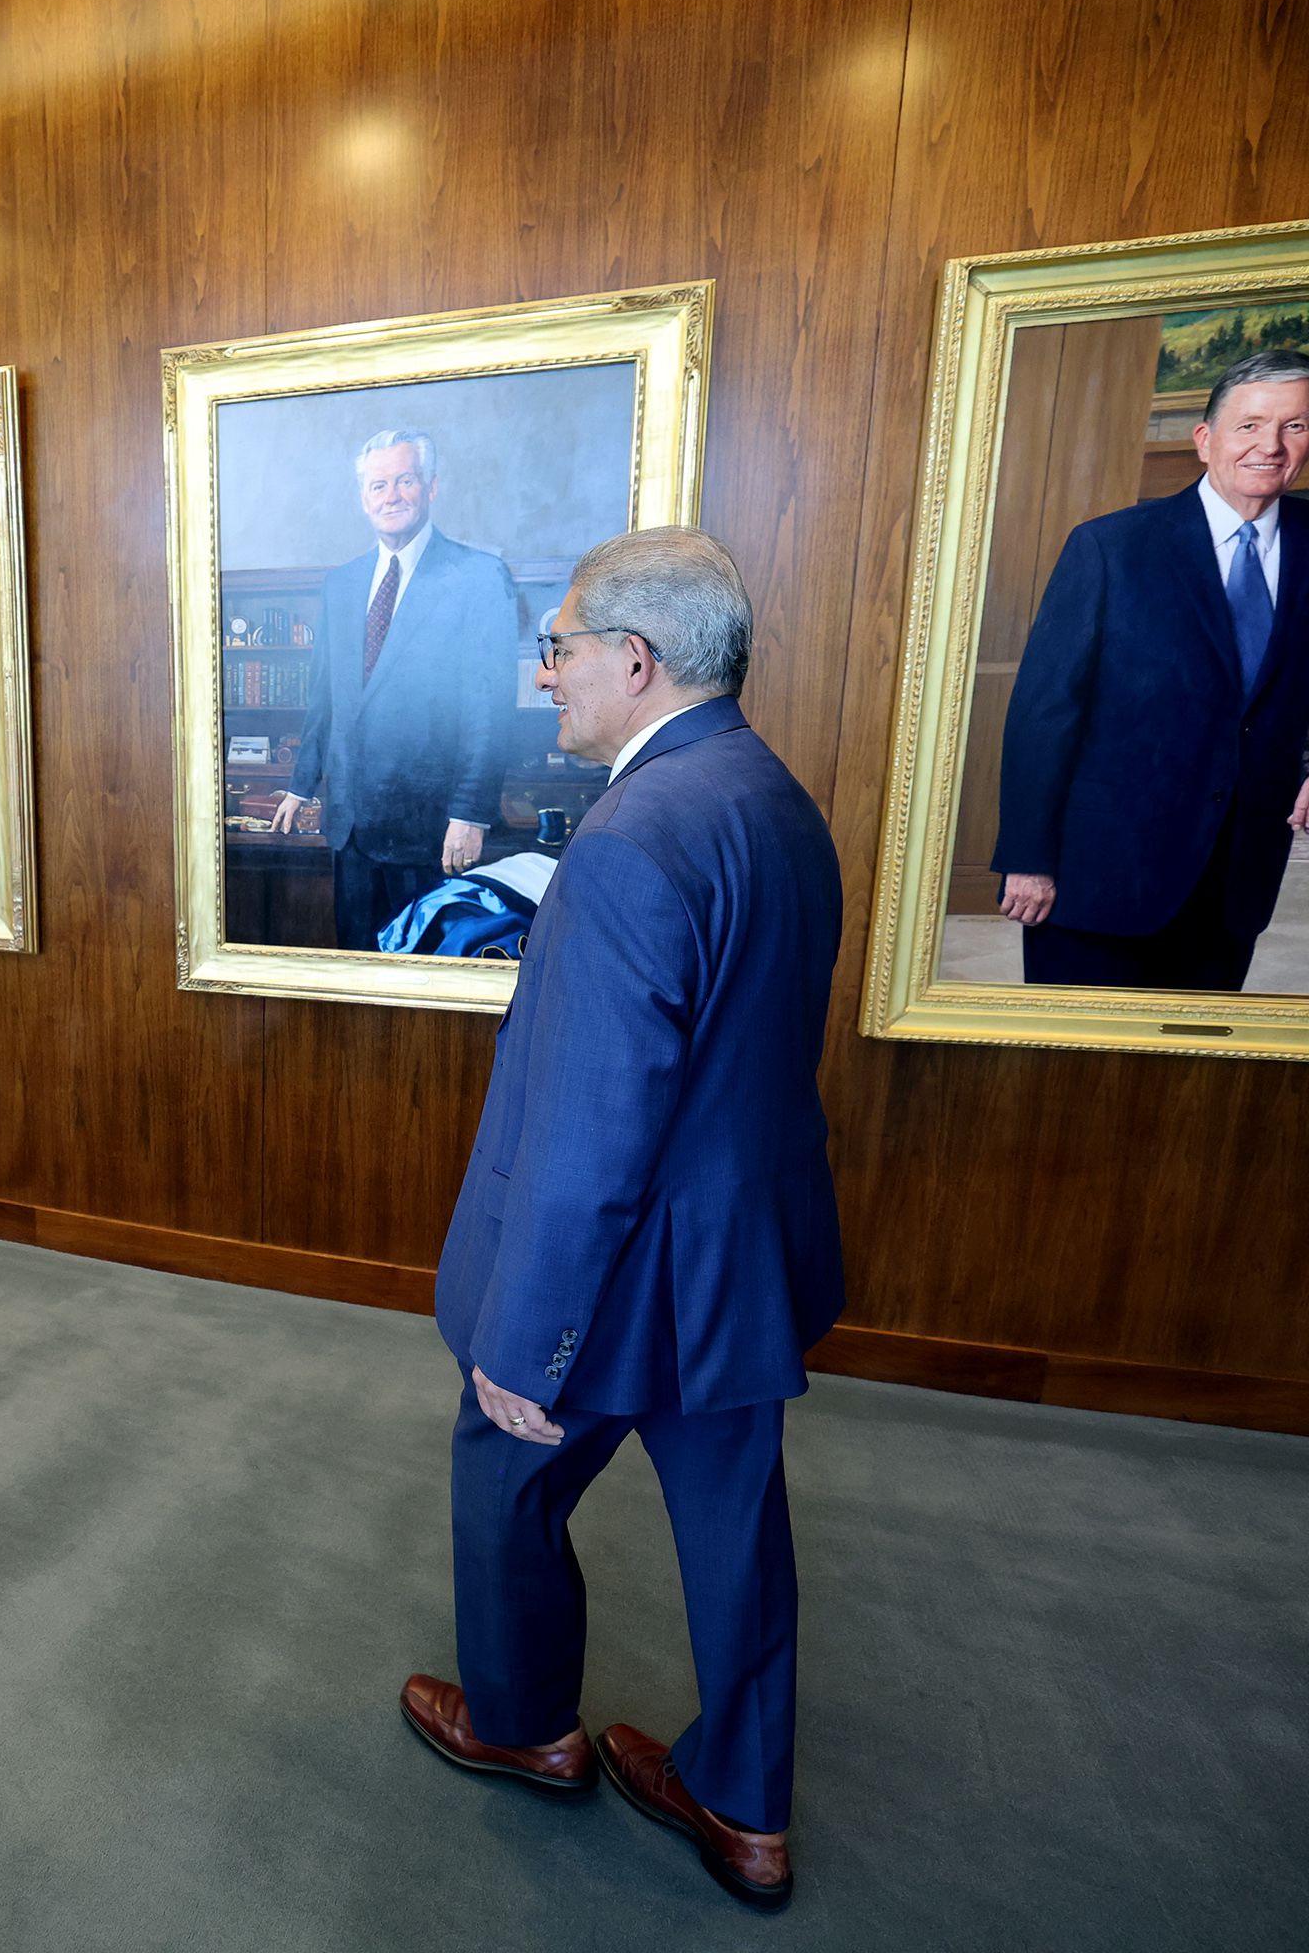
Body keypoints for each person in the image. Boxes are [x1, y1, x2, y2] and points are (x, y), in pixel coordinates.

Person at [399, 527, 843, 1913]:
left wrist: (527, 1344)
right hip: (740, 1262)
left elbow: (595, 1130)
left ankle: (524, 1723)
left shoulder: (630, 840)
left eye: (561, 648)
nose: (548, 678)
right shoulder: (772, 795)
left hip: (621, 1271)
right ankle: (745, 1807)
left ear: (635, 661)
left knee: (505, 1463)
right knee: (737, 1533)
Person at [993, 348, 1309, 989]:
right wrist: (1027, 858)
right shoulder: (1110, 546)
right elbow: (1044, 712)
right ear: (1205, 439)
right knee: (1077, 1074)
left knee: (1191, 1068)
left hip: (1238, 872)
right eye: (1249, 425)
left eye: (1294, 425)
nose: (1269, 445)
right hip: (1098, 870)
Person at [271, 428, 519, 949]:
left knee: (424, 991)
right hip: (351, 830)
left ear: (431, 487)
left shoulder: (477, 577)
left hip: (430, 836)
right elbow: (327, 701)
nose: (392, 496)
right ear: (363, 499)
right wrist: (300, 785)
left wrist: (470, 814)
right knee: (357, 979)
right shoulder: (340, 585)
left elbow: (489, 711)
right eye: (378, 485)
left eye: (405, 480)